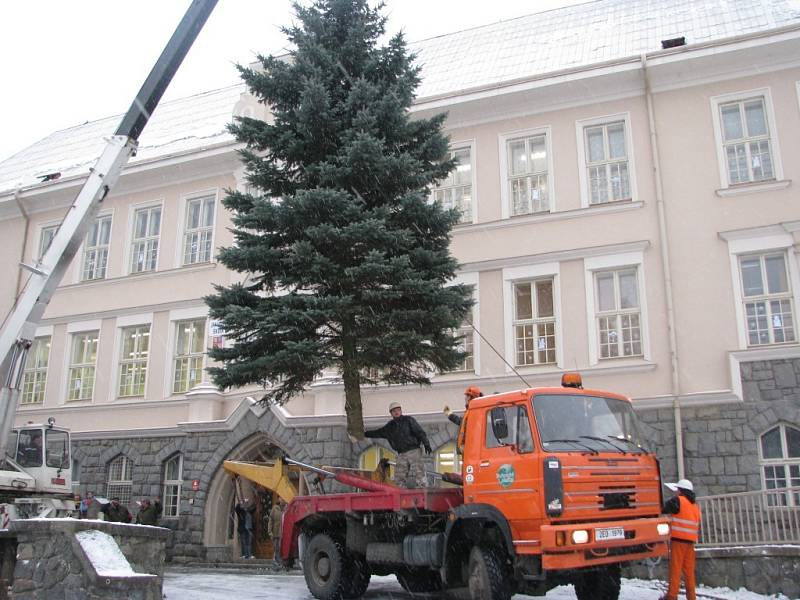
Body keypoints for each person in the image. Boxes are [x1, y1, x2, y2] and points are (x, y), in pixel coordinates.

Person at [363, 401, 431, 488]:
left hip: (414, 450)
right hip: (401, 453)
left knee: (419, 470)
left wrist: (426, 443)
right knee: (400, 474)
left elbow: (419, 432)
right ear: (391, 413)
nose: (396, 412)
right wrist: (364, 434)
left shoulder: (409, 420)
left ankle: (422, 486)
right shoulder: (390, 427)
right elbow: (378, 432)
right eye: (394, 411)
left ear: (401, 411)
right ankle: (400, 488)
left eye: (398, 410)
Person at [659, 478, 701, 600]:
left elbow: (663, 509)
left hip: (679, 540)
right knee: (689, 572)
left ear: (681, 490)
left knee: (675, 569)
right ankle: (691, 597)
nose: (676, 491)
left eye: (677, 489)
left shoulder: (678, 501)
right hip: (690, 542)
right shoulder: (694, 505)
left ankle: (671, 596)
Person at [268, 500, 286, 565]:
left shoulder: (286, 509)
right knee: (276, 547)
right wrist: (270, 531)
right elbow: (270, 521)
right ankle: (276, 560)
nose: (282, 500)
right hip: (276, 533)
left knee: (282, 547)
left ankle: (282, 561)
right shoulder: (275, 509)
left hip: (284, 533)